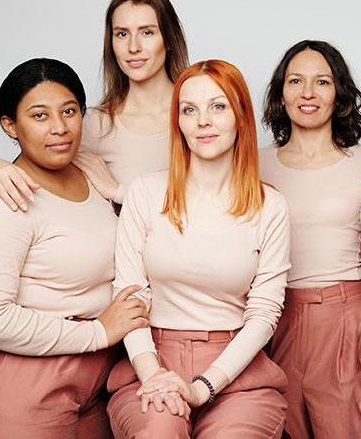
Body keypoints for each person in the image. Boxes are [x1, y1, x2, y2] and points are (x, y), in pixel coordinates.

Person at [106, 59, 290, 438]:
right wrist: (154, 374)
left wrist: (201, 387)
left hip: (237, 371)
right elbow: (130, 297)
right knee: (157, 431)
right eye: (190, 110)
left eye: (218, 106)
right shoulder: (144, 192)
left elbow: (264, 313)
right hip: (150, 359)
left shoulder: (271, 206)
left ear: (240, 116)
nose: (203, 120)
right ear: (178, 123)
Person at [0, 58, 149, 438]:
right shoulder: (8, 198)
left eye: (69, 111)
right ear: (9, 125)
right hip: (32, 380)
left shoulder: (91, 170)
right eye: (39, 116)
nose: (59, 128)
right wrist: (98, 332)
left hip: (99, 378)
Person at [0, 0, 189, 211]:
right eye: (122, 34)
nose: (133, 47)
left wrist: (118, 191)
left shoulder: (200, 118)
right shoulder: (92, 125)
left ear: (169, 39)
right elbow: (35, 164)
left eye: (147, 32)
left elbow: (218, 206)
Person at [260, 39, 361, 439]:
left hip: (343, 317)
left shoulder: (359, 164)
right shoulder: (254, 161)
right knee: (277, 426)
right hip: (271, 316)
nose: (307, 93)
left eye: (321, 81)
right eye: (295, 80)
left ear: (338, 93)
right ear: (280, 93)